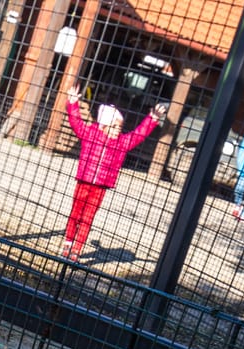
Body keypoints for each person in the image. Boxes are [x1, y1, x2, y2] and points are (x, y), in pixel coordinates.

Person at [61, 82, 170, 261]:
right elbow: (76, 122)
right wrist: (72, 103)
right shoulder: (90, 134)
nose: (117, 131)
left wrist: (152, 118)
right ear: (103, 125)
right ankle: (68, 242)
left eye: (119, 128)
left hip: (101, 186)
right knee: (75, 213)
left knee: (88, 217)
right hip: (84, 180)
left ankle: (77, 249)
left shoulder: (121, 143)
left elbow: (138, 134)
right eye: (114, 127)